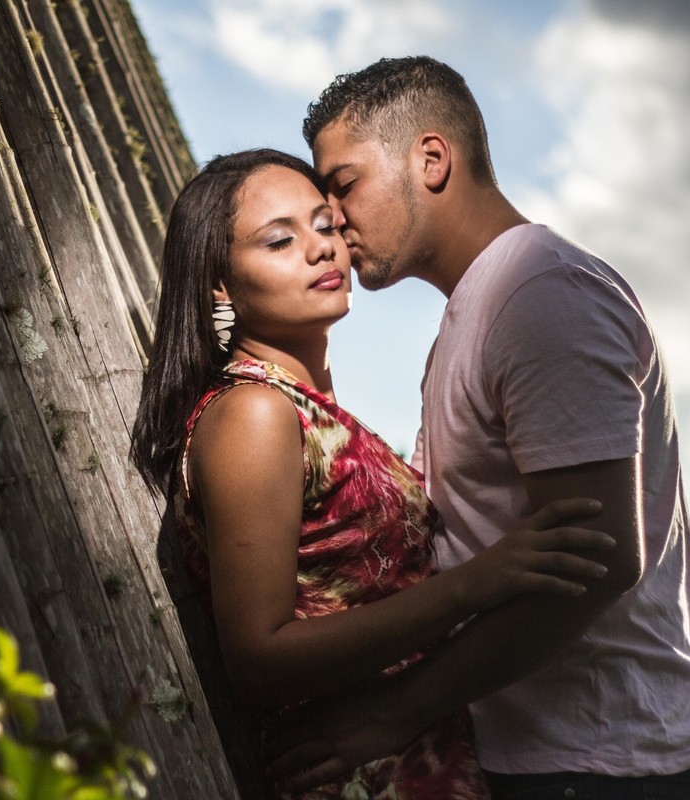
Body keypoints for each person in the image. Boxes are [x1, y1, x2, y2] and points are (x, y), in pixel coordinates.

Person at [263, 56, 690, 799]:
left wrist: (395, 714)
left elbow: (601, 560)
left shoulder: (539, 294)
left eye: (344, 182)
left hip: (611, 764)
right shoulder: (478, 310)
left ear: (430, 159)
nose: (332, 215)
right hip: (550, 755)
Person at [130, 148, 616, 799]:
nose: (319, 250)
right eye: (280, 240)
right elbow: (259, 660)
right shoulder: (254, 413)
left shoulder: (309, 411)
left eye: (325, 226)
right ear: (219, 285)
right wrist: (477, 583)